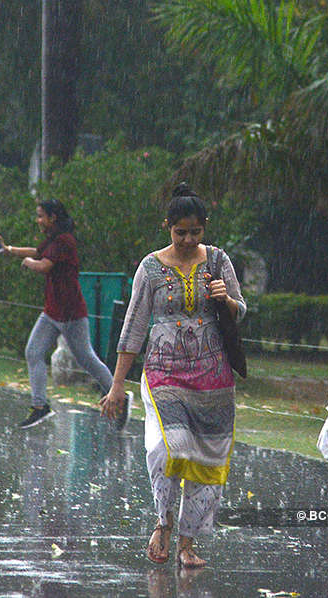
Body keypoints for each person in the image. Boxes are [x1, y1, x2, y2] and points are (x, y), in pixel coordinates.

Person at [100, 183, 246, 568]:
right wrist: (117, 385)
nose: (187, 239)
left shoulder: (218, 260)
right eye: (180, 232)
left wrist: (225, 299)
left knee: (206, 458)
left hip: (214, 377)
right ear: (167, 226)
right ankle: (162, 522)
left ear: (205, 228)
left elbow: (240, 309)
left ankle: (187, 542)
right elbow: (133, 327)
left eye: (195, 232)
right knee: (168, 448)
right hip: (163, 373)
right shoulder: (150, 267)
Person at [0, 199, 123, 429]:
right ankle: (40, 407)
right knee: (33, 352)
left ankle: (118, 397)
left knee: (87, 359)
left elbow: (42, 264)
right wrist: (8, 249)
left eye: (41, 216)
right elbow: (38, 252)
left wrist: (28, 263)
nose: (38, 220)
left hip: (71, 314)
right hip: (52, 311)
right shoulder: (53, 240)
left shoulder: (65, 241)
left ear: (53, 218)